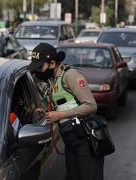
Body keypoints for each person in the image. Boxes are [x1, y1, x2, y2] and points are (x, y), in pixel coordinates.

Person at [28, 43, 102, 180]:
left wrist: (59, 115)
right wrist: (46, 111)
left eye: (40, 67)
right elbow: (65, 104)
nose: (38, 72)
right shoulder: (53, 79)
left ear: (52, 63)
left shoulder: (71, 75)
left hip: (84, 139)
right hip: (70, 139)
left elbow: (91, 106)